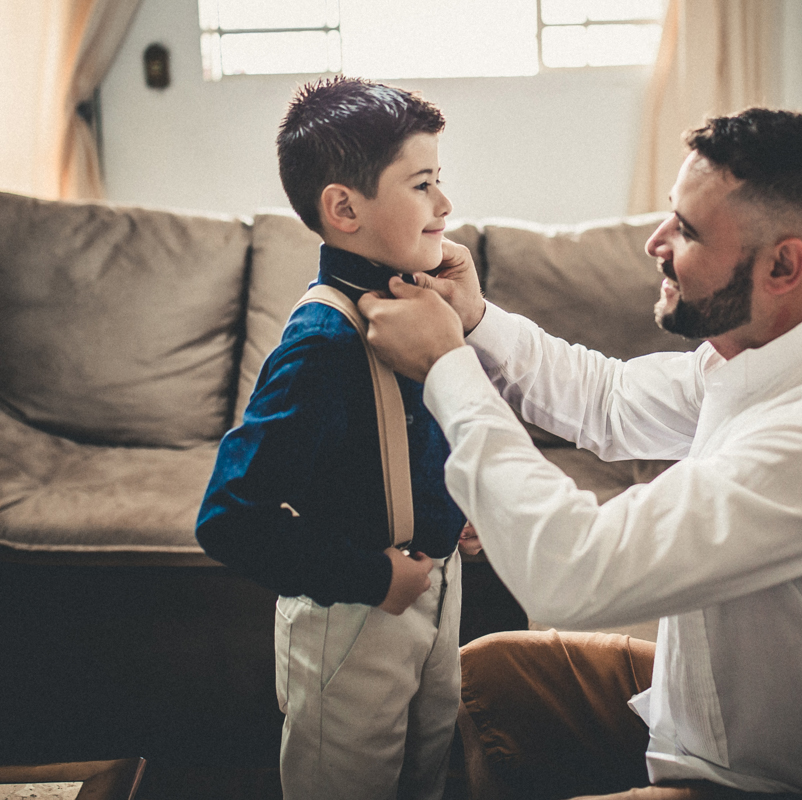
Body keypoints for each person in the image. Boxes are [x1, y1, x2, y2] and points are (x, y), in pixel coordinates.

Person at [358, 108, 802, 799]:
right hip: (714, 719)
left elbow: (572, 572)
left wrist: (447, 367)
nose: (656, 241)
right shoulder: (771, 346)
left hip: (790, 783)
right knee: (487, 675)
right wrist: (474, 322)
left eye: (687, 230)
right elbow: (611, 400)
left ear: (783, 264)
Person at [195, 76, 471, 800]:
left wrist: (457, 510)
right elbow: (229, 518)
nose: (445, 205)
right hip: (354, 621)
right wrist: (373, 579)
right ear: (344, 208)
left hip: (441, 594)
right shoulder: (320, 345)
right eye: (421, 185)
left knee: (428, 774)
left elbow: (421, 436)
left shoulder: (424, 304)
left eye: (440, 180)